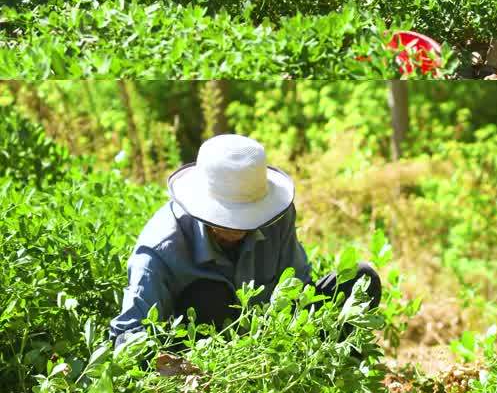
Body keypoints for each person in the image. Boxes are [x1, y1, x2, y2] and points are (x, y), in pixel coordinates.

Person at [110, 134, 381, 348]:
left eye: (248, 218)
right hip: (201, 356)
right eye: (226, 219)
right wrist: (176, 369)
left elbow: (297, 288)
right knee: (211, 297)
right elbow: (129, 334)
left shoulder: (276, 217)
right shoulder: (159, 250)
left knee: (361, 279)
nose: (237, 229)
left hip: (270, 338)